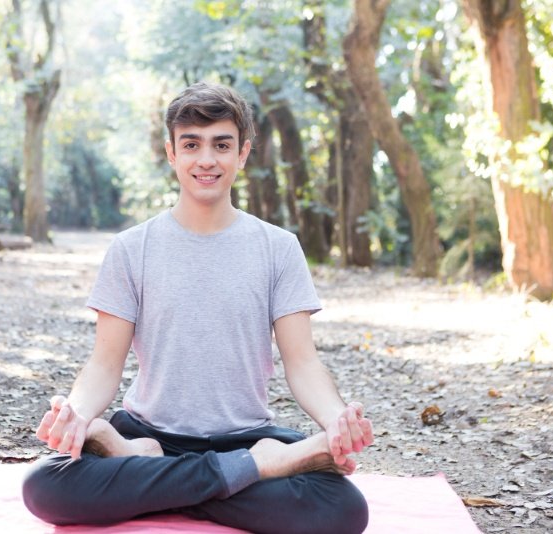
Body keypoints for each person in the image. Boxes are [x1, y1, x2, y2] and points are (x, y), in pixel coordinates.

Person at [22, 82, 373, 534]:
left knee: (343, 509)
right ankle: (256, 471)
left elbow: (302, 363)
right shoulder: (131, 249)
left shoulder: (279, 249)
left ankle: (154, 483)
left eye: (221, 145)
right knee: (44, 486)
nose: (206, 159)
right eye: (192, 144)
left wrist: (335, 420)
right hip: (148, 435)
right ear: (171, 153)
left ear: (242, 154)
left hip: (245, 437)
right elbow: (104, 365)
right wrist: (77, 413)